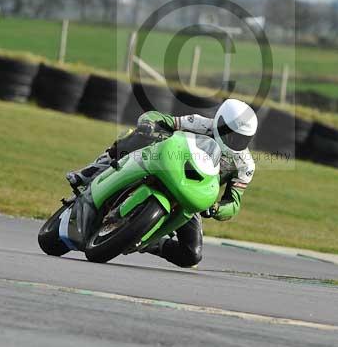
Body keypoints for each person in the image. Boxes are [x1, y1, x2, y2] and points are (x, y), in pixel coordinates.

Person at [67, 98, 257, 268]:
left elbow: (233, 203)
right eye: (230, 133)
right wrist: (150, 124)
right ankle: (90, 172)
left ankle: (149, 241)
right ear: (219, 122)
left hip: (188, 194)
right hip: (164, 166)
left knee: (191, 255)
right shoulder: (199, 123)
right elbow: (159, 117)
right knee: (136, 135)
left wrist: (216, 208)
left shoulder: (244, 165)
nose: (235, 141)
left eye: (242, 138)